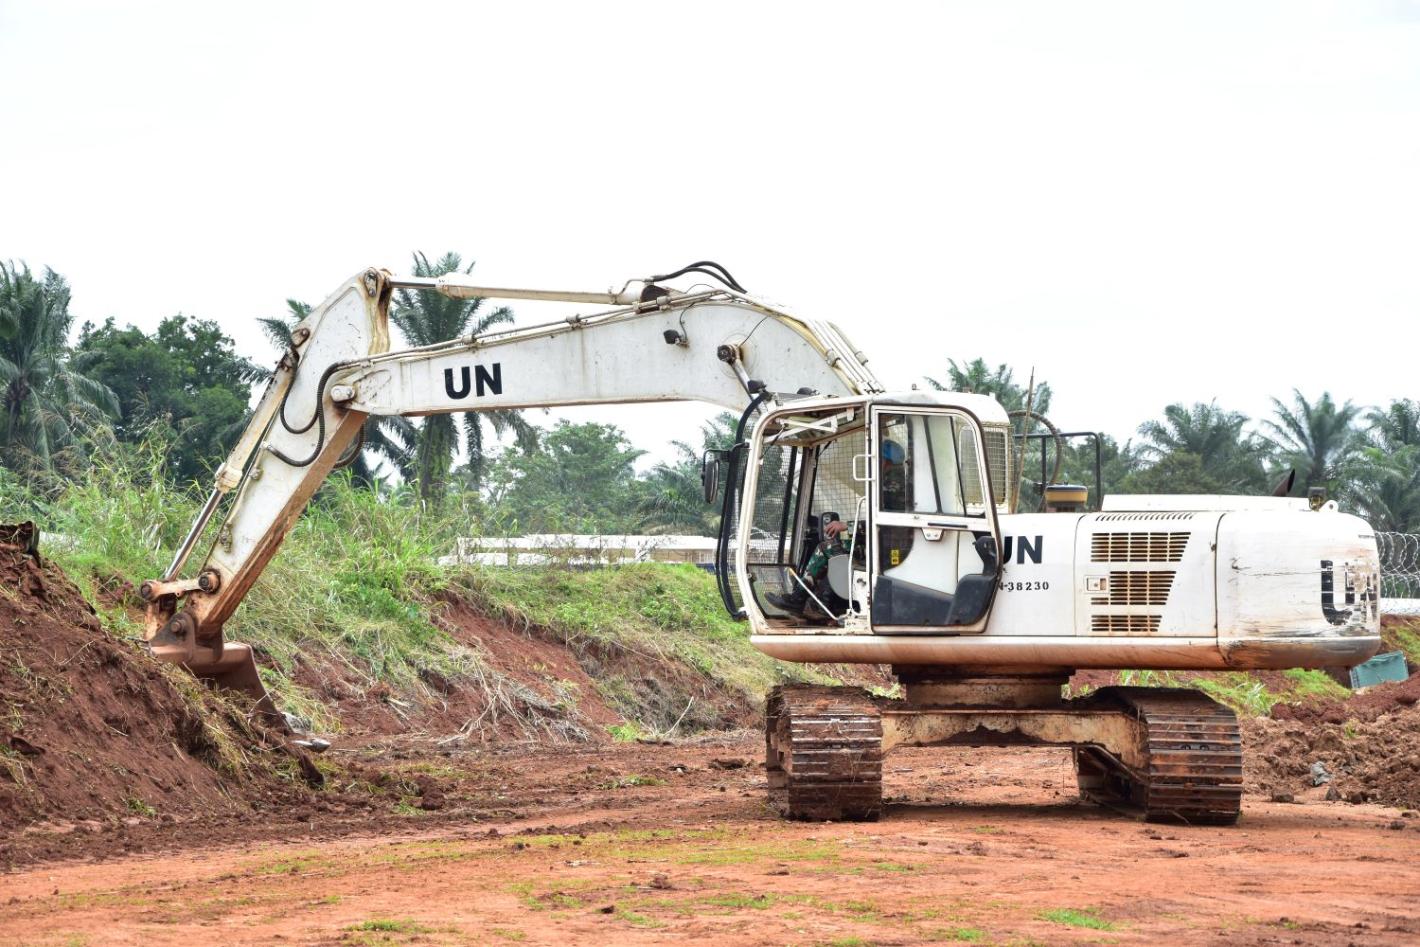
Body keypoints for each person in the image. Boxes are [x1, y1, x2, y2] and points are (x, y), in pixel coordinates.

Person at [767, 518, 851, 617]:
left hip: (869, 549)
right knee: (835, 559)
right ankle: (818, 604)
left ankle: (798, 598)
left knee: (824, 548)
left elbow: (871, 524)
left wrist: (846, 525)